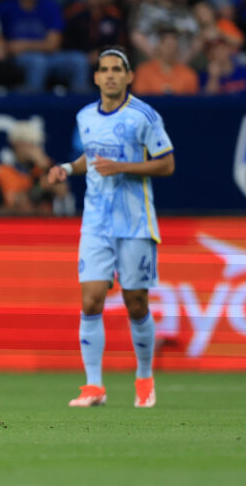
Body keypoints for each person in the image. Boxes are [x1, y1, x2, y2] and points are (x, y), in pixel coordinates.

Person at [47, 46, 175, 408]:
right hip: (96, 222)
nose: (110, 75)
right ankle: (93, 386)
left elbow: (166, 164)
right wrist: (68, 169)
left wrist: (123, 168)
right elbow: (92, 156)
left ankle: (145, 377)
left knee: (136, 303)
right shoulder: (85, 115)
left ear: (129, 76)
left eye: (117, 69)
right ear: (96, 77)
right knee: (91, 300)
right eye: (104, 69)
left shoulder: (144, 116)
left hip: (135, 223)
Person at [0, 0, 90, 93]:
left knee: (79, 60)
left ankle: (82, 107)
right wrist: (11, 47)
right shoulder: (6, 7)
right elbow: (0, 41)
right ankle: (33, 105)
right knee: (38, 62)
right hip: (19, 58)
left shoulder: (49, 5)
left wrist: (23, 45)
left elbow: (53, 44)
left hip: (49, 56)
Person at [0, 118, 74, 215]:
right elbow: (19, 205)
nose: (35, 149)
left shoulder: (44, 168)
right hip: (17, 226)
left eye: (36, 144)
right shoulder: (5, 171)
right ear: (16, 145)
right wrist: (39, 188)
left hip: (47, 225)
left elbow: (63, 191)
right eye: (31, 144)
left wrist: (47, 166)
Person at [132, 27, 200, 95]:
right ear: (159, 45)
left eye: (173, 44)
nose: (170, 49)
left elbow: (192, 101)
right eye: (167, 44)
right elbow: (139, 99)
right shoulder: (143, 71)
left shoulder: (188, 74)